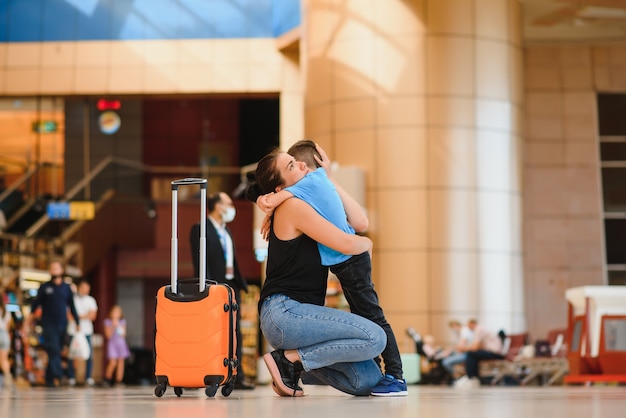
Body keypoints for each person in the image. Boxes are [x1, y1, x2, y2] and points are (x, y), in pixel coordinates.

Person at [256, 140, 406, 396]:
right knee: (375, 337)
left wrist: (330, 179)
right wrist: (368, 242)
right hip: (284, 313)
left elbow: (359, 219)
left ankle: (291, 361)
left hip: (297, 317)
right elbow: (347, 242)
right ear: (280, 186)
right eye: (292, 165)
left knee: (366, 380)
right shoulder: (293, 206)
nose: (304, 165)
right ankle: (290, 361)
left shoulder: (305, 199)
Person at [189, 191, 252, 390]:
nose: (232, 208)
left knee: (235, 332)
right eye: (228, 204)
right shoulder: (200, 229)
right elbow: (201, 262)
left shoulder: (227, 231)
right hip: (214, 288)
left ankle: (237, 376)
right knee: (213, 332)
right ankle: (210, 373)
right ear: (218, 206)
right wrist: (207, 287)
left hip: (231, 285)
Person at [28, 260, 80, 387]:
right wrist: (28, 321)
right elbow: (35, 305)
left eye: (56, 267)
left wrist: (77, 322)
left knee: (58, 350)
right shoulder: (45, 287)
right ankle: (60, 375)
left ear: (61, 270)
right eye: (52, 268)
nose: (54, 270)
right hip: (48, 323)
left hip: (63, 323)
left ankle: (49, 379)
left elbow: (72, 306)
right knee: (53, 349)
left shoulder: (67, 288)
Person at [453, 319, 504, 388]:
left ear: (472, 324)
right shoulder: (481, 329)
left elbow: (475, 347)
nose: (468, 328)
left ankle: (472, 377)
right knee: (473, 355)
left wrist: (463, 349)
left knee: (471, 354)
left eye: (468, 326)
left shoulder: (479, 329)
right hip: (493, 352)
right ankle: (474, 378)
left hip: (495, 353)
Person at [67, 280, 98, 386]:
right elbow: (69, 315)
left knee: (89, 354)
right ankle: (71, 377)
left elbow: (92, 316)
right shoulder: (72, 299)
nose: (86, 290)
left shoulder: (91, 300)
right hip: (73, 330)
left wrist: (77, 316)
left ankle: (88, 377)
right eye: (84, 287)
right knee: (71, 354)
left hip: (87, 331)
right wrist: (84, 315)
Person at [103, 305, 130, 386]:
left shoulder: (122, 322)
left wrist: (118, 325)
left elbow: (123, 334)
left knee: (121, 362)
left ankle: (119, 380)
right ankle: (107, 379)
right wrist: (112, 326)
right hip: (112, 343)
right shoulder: (107, 322)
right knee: (113, 362)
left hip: (121, 343)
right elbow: (108, 335)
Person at [0, 292, 13, 388]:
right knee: (4, 359)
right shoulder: (5, 311)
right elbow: (8, 327)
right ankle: (8, 378)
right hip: (5, 335)